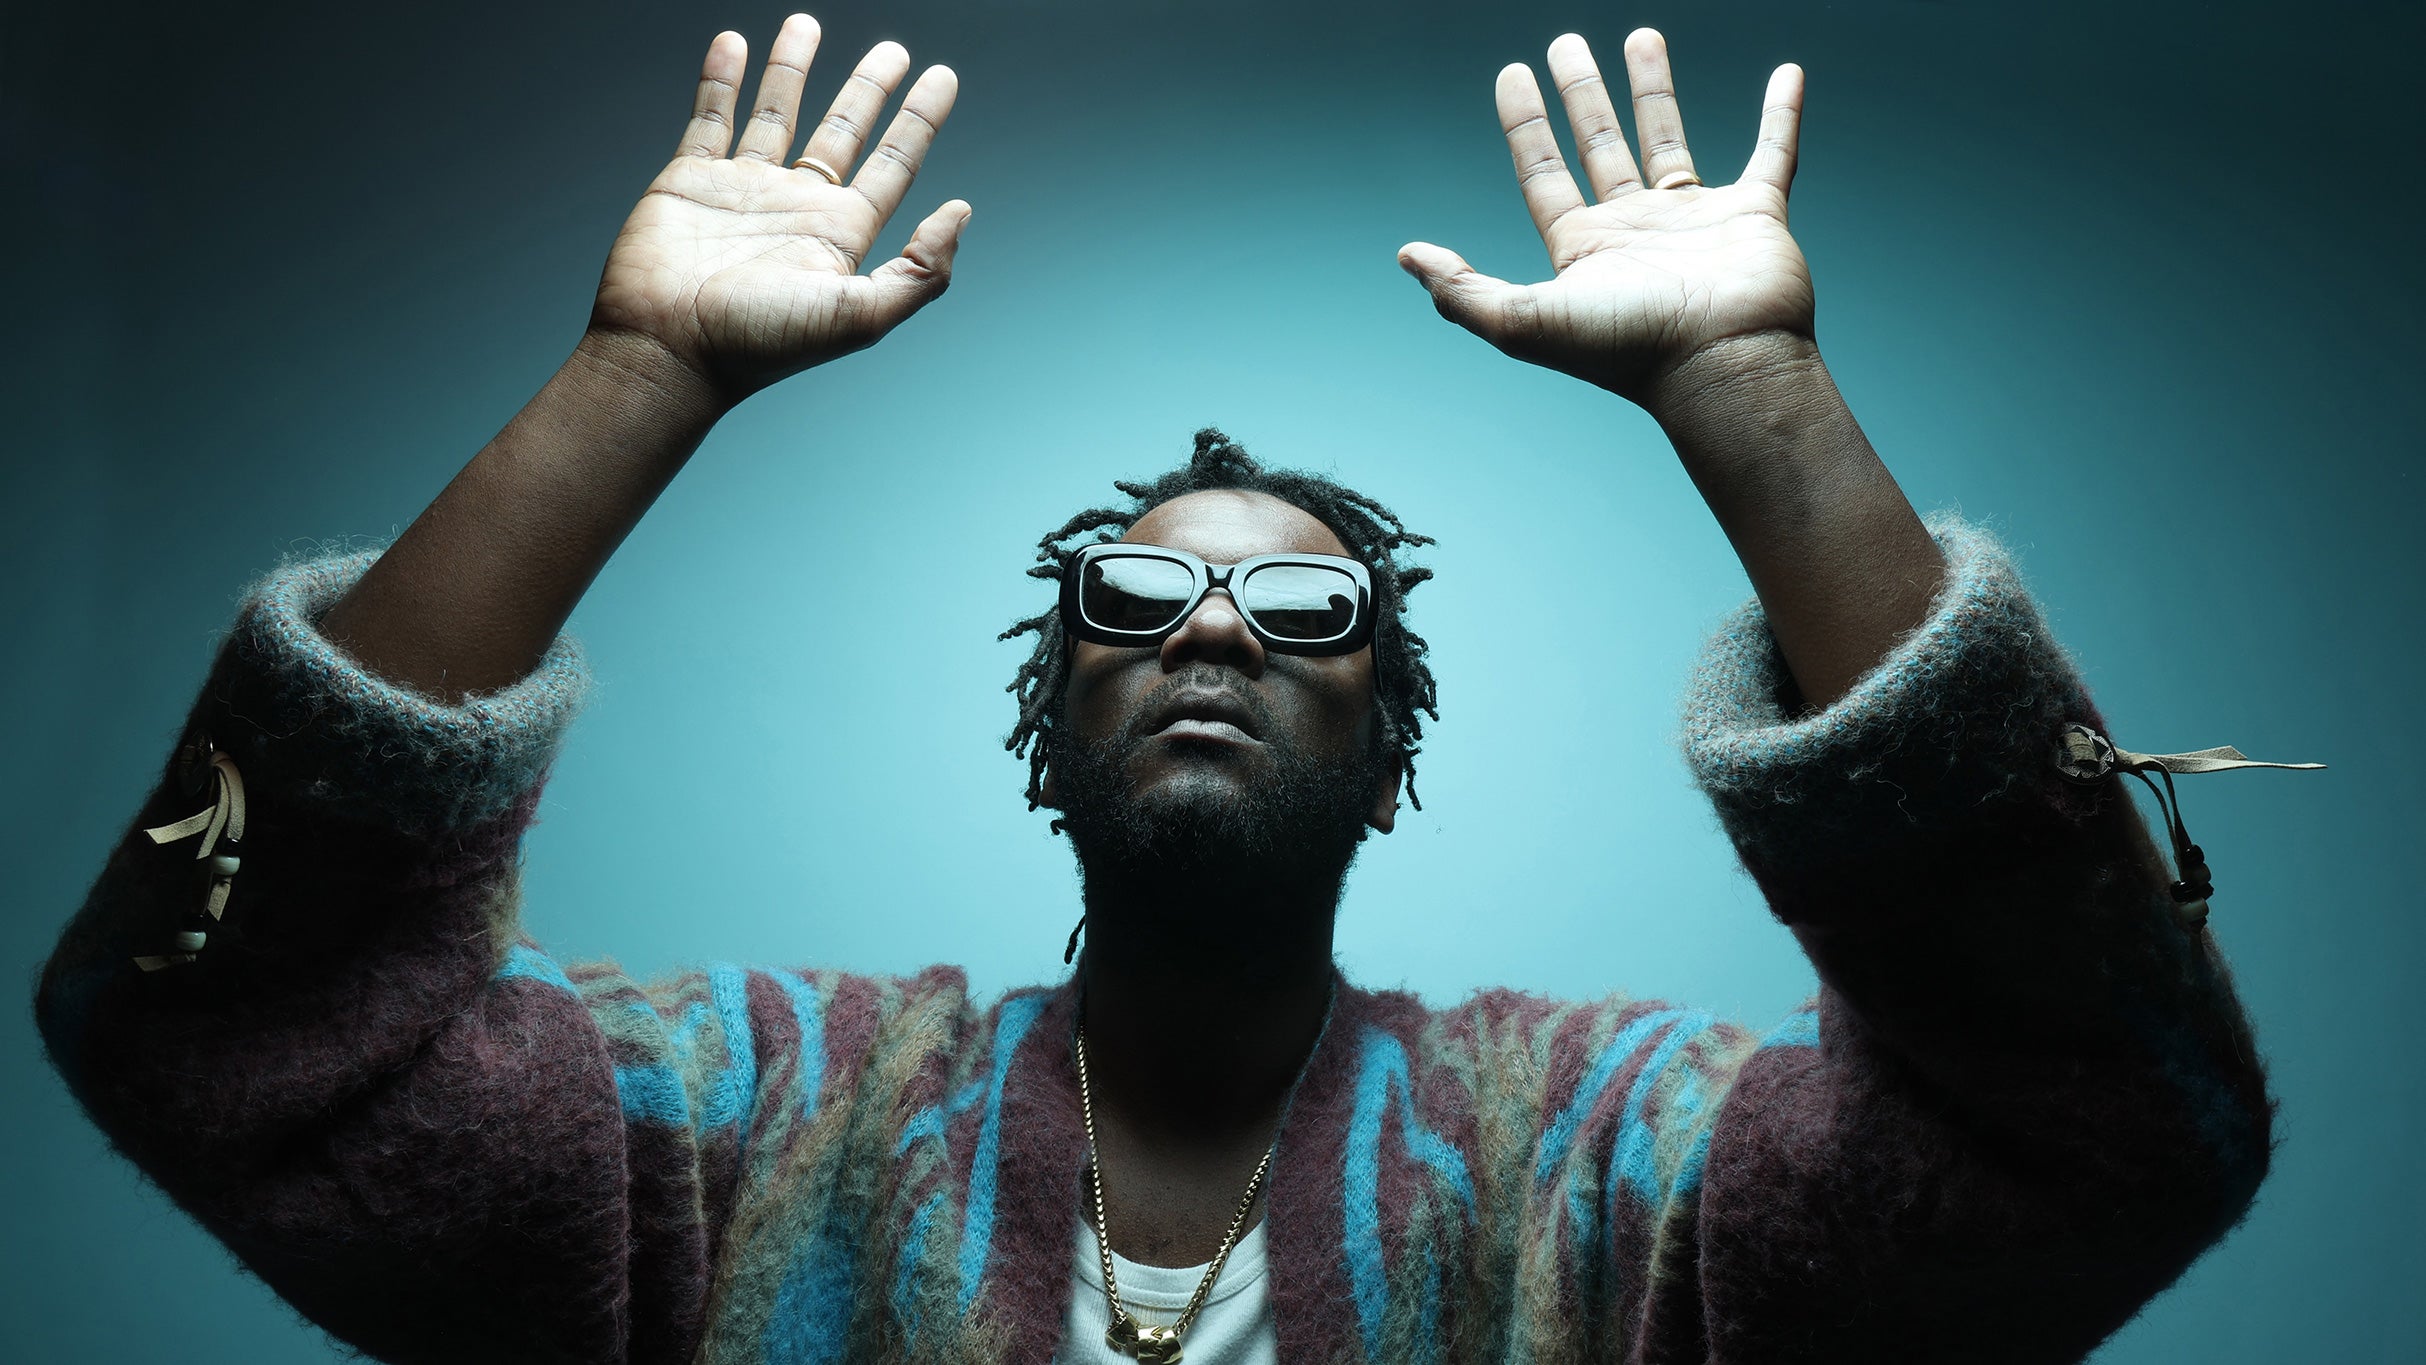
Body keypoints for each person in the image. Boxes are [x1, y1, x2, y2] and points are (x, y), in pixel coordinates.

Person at [35, 13, 2298, 1365]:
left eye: (1307, 614)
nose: (1212, 627)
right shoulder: (741, 1118)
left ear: (1386, 733)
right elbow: (222, 1028)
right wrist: (635, 377)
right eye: (1135, 593)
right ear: (1051, 703)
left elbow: (2110, 1135)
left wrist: (1749, 396)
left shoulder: (1606, 1151)